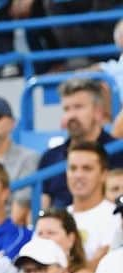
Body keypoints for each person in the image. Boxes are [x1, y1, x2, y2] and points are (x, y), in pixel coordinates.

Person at [37, 79, 123, 209]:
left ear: (98, 112)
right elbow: (42, 207)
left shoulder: (119, 152)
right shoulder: (50, 157)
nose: (71, 115)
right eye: (66, 109)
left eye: (78, 107)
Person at [65, 142, 116, 271]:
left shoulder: (117, 218)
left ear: (104, 174)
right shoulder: (54, 219)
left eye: (87, 168)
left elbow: (107, 269)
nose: (78, 175)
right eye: (73, 168)